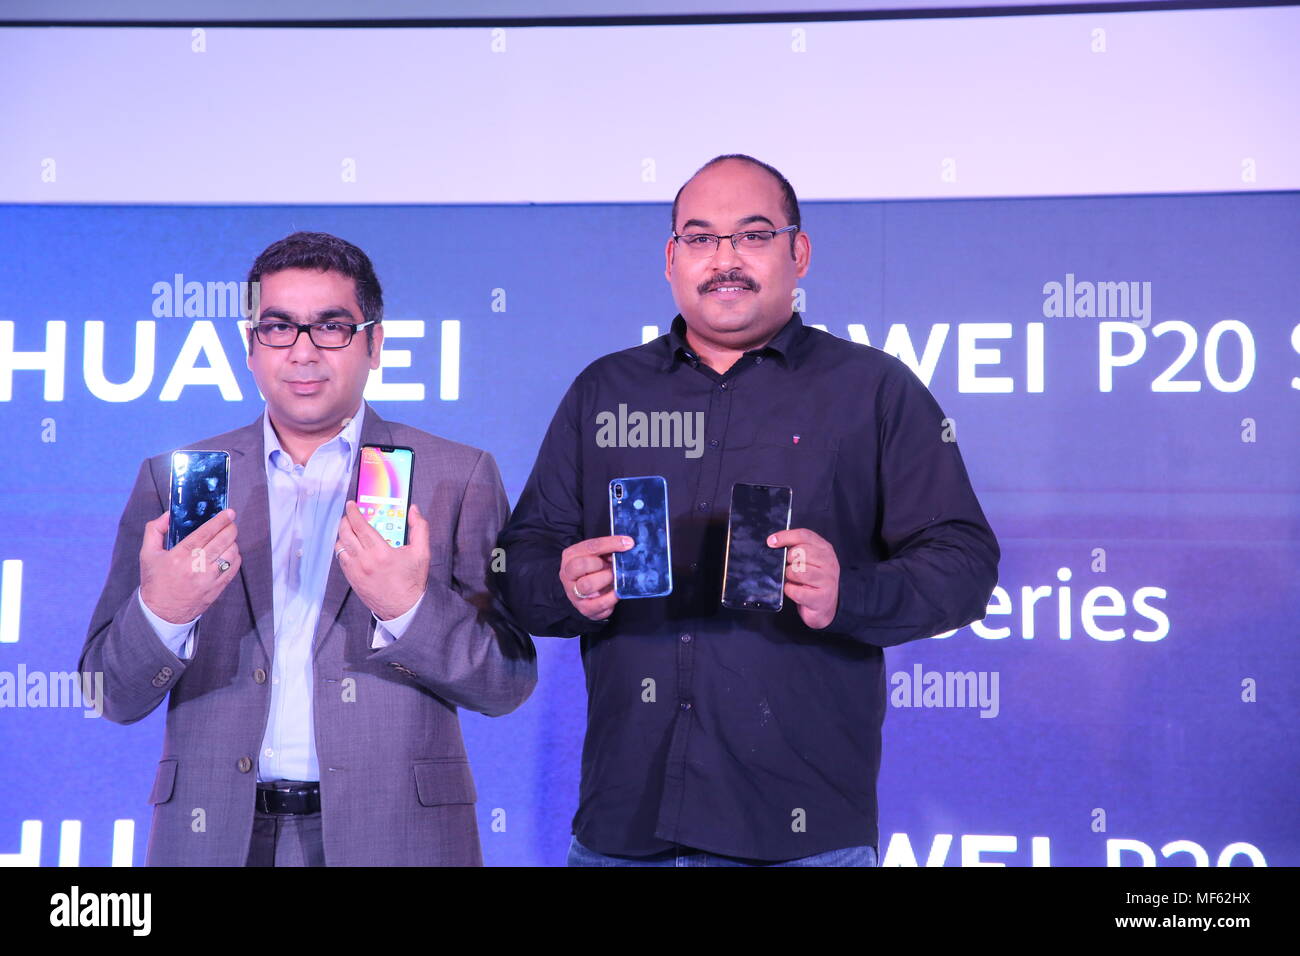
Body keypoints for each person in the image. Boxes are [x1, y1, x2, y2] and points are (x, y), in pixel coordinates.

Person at [498, 154, 1000, 867]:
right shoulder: (603, 391)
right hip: (622, 828)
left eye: (753, 235)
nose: (724, 259)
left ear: (799, 253)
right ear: (671, 259)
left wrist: (847, 593)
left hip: (801, 838)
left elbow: (965, 563)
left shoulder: (874, 390)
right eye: (701, 239)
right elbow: (522, 562)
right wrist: (563, 586)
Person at [81, 231, 536, 866]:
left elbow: (505, 683)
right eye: (278, 327)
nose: (303, 352)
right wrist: (165, 613)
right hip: (215, 840)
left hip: (396, 838)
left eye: (331, 328)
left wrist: (407, 607)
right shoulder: (181, 480)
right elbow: (111, 693)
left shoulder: (454, 475)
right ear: (249, 345)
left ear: (374, 343)